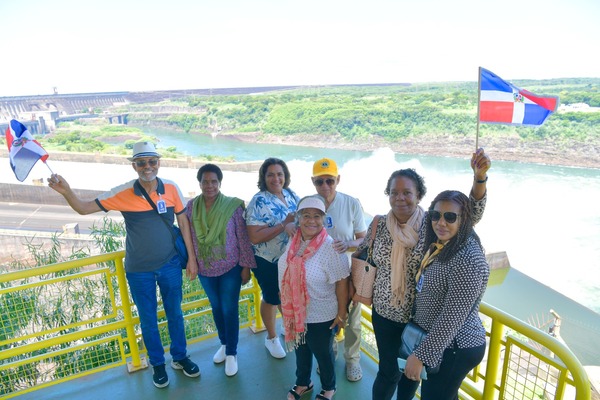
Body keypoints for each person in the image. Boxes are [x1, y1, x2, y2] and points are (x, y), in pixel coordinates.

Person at [47, 142, 200, 389]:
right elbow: (84, 208)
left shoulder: (171, 188)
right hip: (139, 270)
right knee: (148, 318)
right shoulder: (123, 192)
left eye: (152, 161)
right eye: (142, 163)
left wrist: (192, 259)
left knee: (176, 313)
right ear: (134, 166)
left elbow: (184, 224)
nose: (147, 167)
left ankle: (180, 357)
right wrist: (66, 191)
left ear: (158, 163)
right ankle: (158, 365)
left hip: (171, 264)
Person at [356, 148, 490, 400]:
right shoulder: (379, 224)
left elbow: (470, 212)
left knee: (411, 375)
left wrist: (479, 179)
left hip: (417, 318)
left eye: (407, 192)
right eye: (394, 192)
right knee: (387, 371)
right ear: (388, 195)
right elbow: (364, 251)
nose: (400, 198)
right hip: (385, 313)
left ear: (419, 196)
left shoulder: (433, 222)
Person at [402, 190, 489, 399]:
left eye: (450, 217)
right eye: (436, 215)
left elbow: (453, 316)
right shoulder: (442, 245)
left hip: (455, 346)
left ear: (464, 219)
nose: (441, 222)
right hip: (441, 342)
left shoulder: (467, 258)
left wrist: (421, 355)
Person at [185, 164, 256, 377]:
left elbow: (243, 238)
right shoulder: (191, 208)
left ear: (220, 183)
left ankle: (232, 353)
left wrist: (245, 267)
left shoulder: (233, 206)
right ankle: (224, 344)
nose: (209, 186)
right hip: (205, 269)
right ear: (199, 183)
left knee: (229, 308)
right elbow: (187, 236)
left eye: (213, 181)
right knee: (216, 307)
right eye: (205, 181)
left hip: (230, 268)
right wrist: (191, 261)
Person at [278, 196, 350, 400]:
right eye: (306, 215)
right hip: (296, 312)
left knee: (323, 353)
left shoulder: (331, 247)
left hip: (321, 313)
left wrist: (342, 312)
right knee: (301, 350)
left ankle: (329, 387)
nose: (311, 220)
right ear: (298, 218)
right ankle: (303, 382)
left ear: (324, 219)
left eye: (317, 216)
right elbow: (284, 272)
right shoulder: (294, 240)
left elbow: (342, 281)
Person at [311, 158, 367, 382]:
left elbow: (363, 240)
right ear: (313, 182)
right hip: (320, 275)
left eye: (330, 181)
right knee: (326, 316)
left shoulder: (351, 203)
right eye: (320, 181)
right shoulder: (309, 204)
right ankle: (330, 353)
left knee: (353, 318)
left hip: (348, 272)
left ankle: (352, 360)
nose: (325, 186)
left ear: (338, 180)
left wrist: (348, 244)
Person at [245, 157, 300, 359]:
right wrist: (283, 225)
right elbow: (254, 236)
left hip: (289, 259)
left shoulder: (291, 194)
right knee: (271, 297)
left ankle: (287, 327)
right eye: (271, 175)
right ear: (264, 177)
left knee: (286, 296)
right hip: (267, 260)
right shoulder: (258, 200)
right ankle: (271, 337)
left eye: (279, 174)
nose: (276, 178)